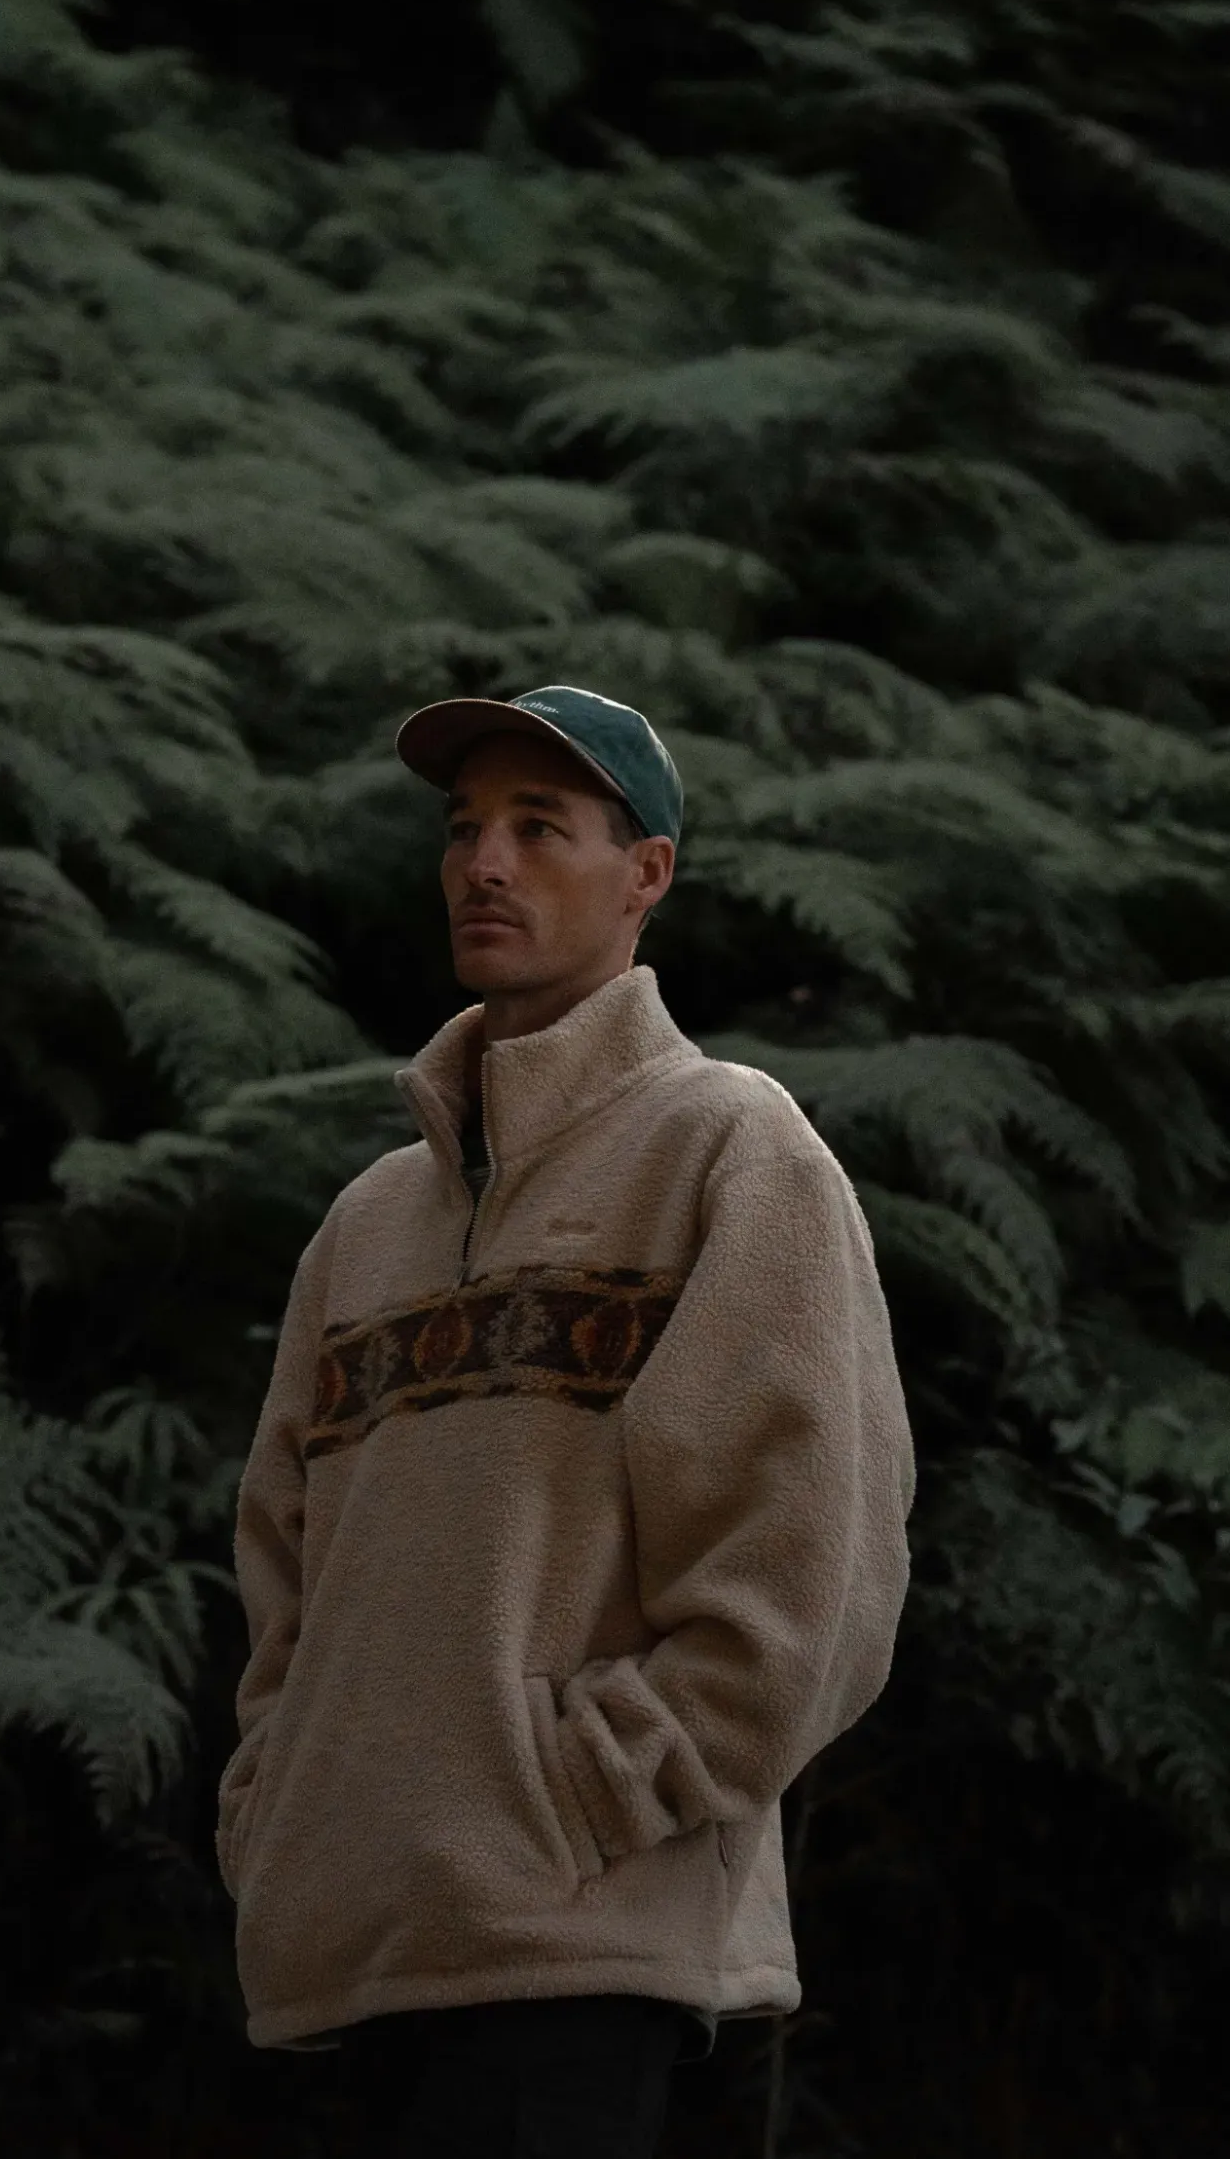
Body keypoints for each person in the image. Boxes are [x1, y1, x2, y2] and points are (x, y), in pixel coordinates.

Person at [216, 685, 916, 2157]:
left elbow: (813, 1577)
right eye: (465, 827)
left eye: (540, 828)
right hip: (342, 1953)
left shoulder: (733, 1151)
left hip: (576, 1951)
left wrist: (589, 1795)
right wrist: (275, 1811)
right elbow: (282, 1564)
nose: (485, 863)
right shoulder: (368, 1223)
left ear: (645, 873)